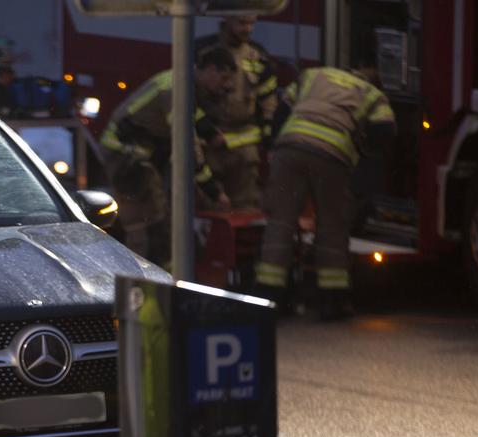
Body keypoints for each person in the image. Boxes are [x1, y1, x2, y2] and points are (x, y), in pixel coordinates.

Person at [255, 67, 396, 320]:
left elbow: (282, 110)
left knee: (280, 223)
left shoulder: (314, 75)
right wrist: (362, 149)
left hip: (290, 149)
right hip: (331, 157)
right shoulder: (373, 94)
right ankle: (332, 302)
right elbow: (385, 130)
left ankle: (270, 297)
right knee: (331, 227)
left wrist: (274, 143)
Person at [99, 46, 237, 265]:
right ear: (210, 70)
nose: (227, 86)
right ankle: (145, 282)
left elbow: (193, 115)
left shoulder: (182, 84)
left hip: (140, 155)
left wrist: (210, 134)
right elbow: (188, 148)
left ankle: (162, 278)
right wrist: (214, 192)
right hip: (127, 159)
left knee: (160, 221)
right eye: (224, 78)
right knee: (147, 225)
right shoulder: (175, 91)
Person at [194, 15, 278, 209]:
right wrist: (208, 131)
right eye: (242, 23)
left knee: (246, 206)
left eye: (251, 23)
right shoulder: (201, 50)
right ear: (227, 20)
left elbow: (268, 101)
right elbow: (186, 99)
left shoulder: (259, 56)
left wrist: (268, 137)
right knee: (208, 205)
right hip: (209, 144)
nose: (247, 29)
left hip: (244, 150)